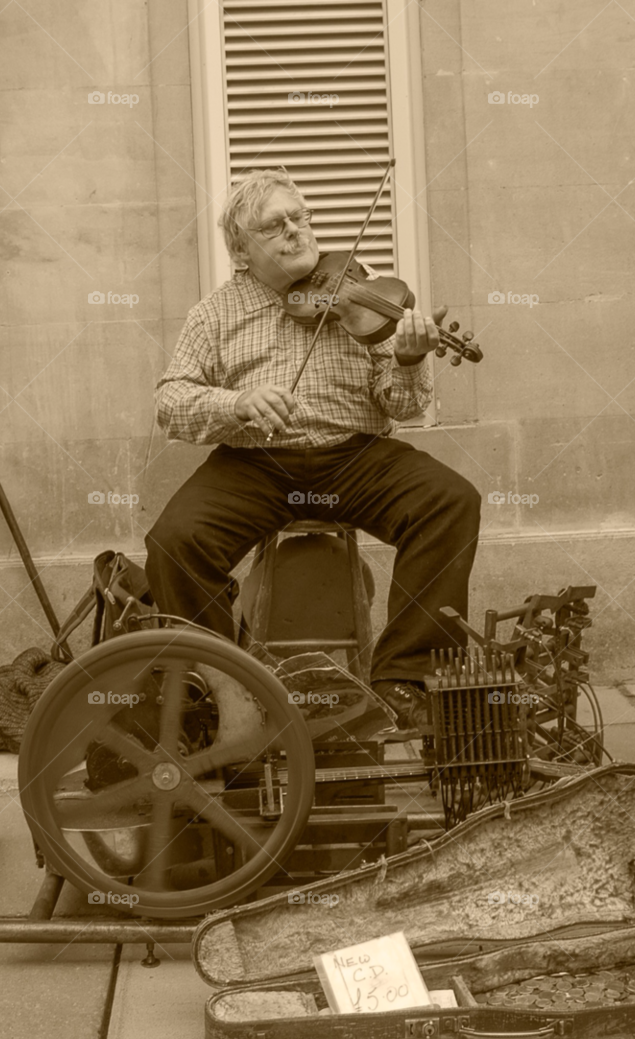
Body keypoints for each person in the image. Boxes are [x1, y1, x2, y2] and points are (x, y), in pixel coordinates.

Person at [145, 168, 481, 728]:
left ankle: (404, 677)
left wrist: (409, 358)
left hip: (355, 458)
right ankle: (224, 689)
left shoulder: (365, 294)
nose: (296, 232)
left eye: (301, 218)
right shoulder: (214, 313)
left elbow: (401, 407)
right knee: (174, 542)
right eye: (275, 226)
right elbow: (170, 401)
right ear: (241, 251)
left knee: (451, 501)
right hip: (255, 464)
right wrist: (236, 402)